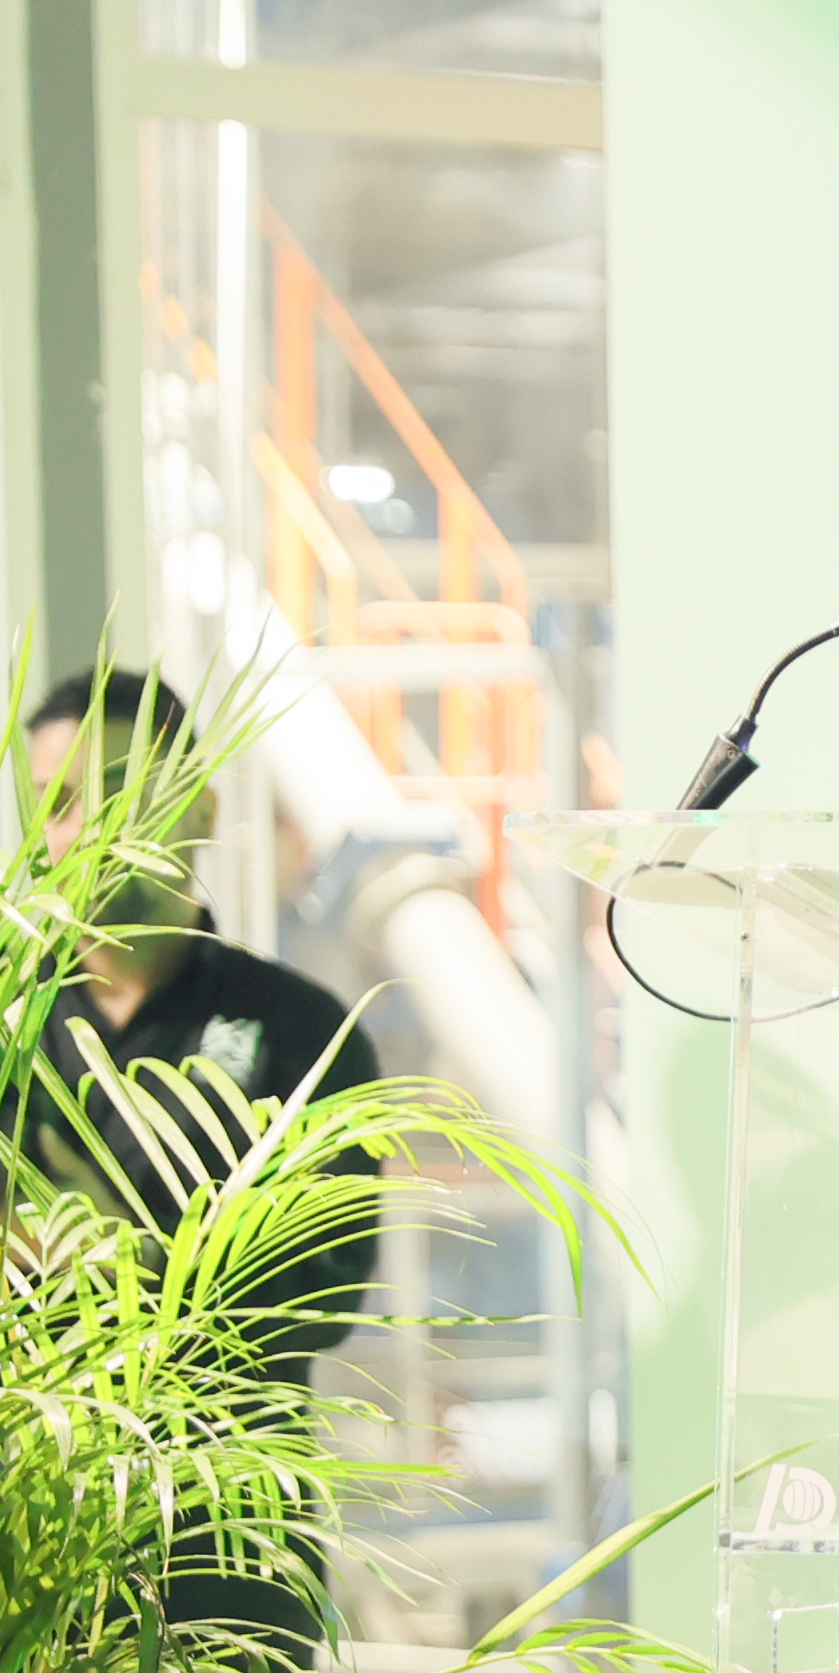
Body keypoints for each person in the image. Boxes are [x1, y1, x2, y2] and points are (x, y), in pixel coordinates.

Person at [12, 668, 381, 1661]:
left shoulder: (301, 1032)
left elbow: (324, 1287)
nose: (88, 830)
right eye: (56, 803)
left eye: (122, 793)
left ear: (203, 809)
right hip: (29, 1545)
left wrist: (109, 1262)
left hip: (228, 1544)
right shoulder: (12, 1029)